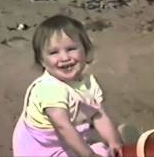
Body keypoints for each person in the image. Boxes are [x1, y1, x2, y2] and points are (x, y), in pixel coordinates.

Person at [12, 14, 124, 157]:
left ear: (86, 50)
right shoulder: (49, 89)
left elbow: (99, 115)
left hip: (67, 140)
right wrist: (89, 155)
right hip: (42, 150)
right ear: (42, 60)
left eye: (71, 49)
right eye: (54, 52)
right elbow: (63, 127)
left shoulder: (89, 83)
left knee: (105, 149)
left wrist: (114, 142)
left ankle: (121, 143)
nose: (65, 58)